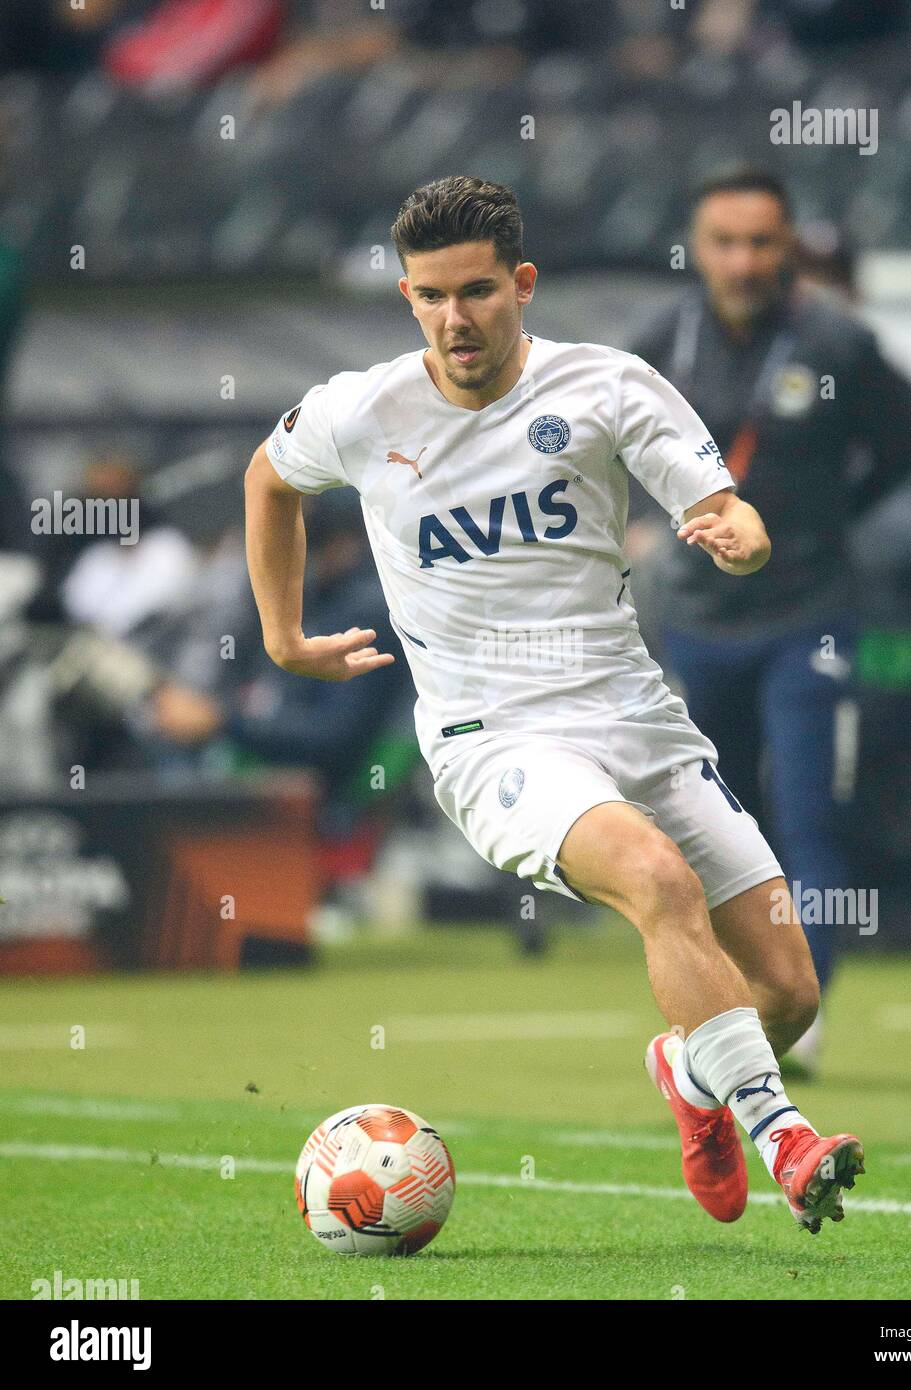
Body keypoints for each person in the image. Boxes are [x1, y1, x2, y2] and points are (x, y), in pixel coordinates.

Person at [243, 175, 865, 1233]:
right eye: (433, 297)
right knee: (657, 879)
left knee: (790, 989)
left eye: (478, 291)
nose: (456, 318)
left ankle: (688, 1066)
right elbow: (269, 478)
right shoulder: (366, 410)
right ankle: (784, 1133)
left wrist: (739, 533)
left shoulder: (608, 386)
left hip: (635, 718)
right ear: (408, 298)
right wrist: (281, 635)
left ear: (522, 285)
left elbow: (718, 501)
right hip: (497, 743)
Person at [631, 169, 911, 1074]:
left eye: (761, 242)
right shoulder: (660, 342)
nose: (743, 260)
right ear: (697, 245)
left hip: (810, 619)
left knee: (807, 820)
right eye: (725, 241)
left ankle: (802, 1010)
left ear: (788, 245)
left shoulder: (838, 341)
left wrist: (818, 526)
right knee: (709, 825)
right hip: (695, 621)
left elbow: (899, 455)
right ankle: (730, 1013)